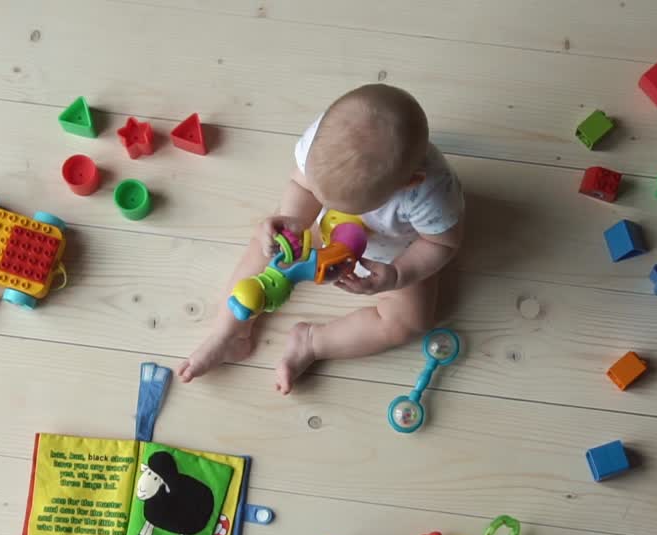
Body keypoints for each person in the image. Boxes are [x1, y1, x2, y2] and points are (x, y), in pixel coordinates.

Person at [179, 84, 464, 394]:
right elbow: (300, 186)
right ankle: (227, 333)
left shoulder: (431, 195)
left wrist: (398, 274)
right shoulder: (323, 141)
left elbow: (441, 244)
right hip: (311, 222)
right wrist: (295, 221)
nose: (334, 208)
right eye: (323, 192)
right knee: (263, 247)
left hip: (394, 251)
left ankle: (312, 343)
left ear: (409, 183)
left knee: (411, 322)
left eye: (349, 205)